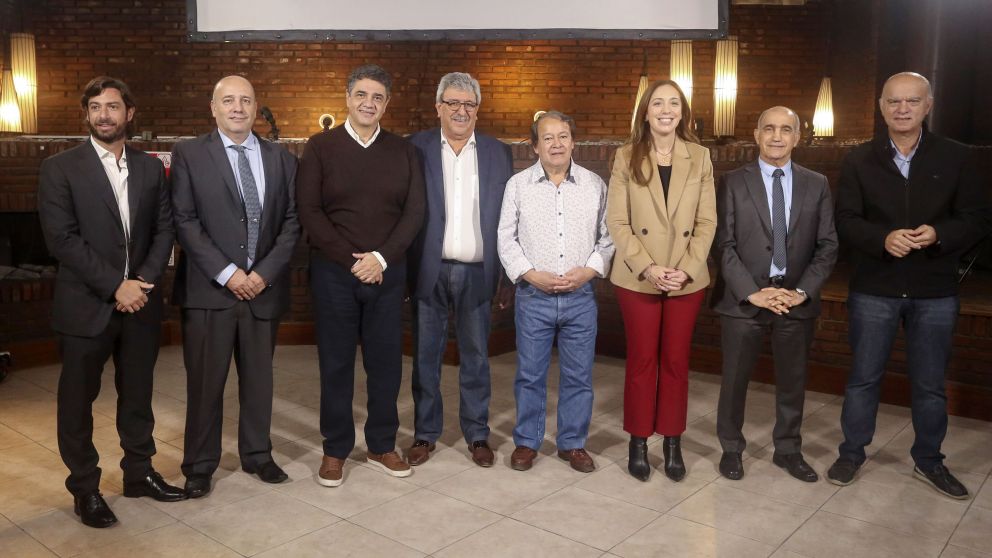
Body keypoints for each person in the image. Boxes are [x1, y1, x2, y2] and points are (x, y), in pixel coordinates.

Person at [829, 72, 991, 498]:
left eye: (912, 101)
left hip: (934, 289)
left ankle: (929, 461)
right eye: (894, 101)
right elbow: (845, 220)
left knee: (930, 383)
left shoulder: (958, 157)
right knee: (863, 378)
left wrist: (939, 234)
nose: (902, 109)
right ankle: (851, 453)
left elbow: (976, 219)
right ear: (881, 106)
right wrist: (881, 239)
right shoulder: (858, 159)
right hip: (874, 287)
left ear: (928, 105)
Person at [38, 76, 184, 528]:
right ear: (87, 114)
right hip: (86, 305)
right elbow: (61, 240)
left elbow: (165, 230)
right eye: (96, 107)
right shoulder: (60, 168)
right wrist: (114, 285)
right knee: (78, 401)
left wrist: (141, 281)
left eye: (113, 106)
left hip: (140, 304)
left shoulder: (149, 168)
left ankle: (139, 474)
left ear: (129, 114)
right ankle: (85, 488)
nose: (105, 114)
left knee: (138, 396)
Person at [171, 75, 301, 498]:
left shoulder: (281, 159)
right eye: (228, 100)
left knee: (259, 381)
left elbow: (291, 223)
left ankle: (258, 455)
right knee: (206, 383)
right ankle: (200, 464)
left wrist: (262, 274)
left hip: (264, 290)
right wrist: (229, 273)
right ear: (214, 108)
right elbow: (185, 221)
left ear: (256, 106)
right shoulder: (190, 154)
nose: (238, 108)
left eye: (245, 100)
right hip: (212, 292)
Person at [296, 64, 425, 486]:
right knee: (335, 364)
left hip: (387, 275)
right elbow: (309, 211)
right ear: (348, 98)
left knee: (386, 364)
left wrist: (382, 259)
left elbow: (414, 212)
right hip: (335, 274)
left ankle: (382, 444)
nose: (369, 103)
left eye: (378, 97)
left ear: (386, 103)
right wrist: (352, 260)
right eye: (361, 95)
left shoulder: (404, 151)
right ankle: (335, 449)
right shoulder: (320, 148)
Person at [711, 106, 838, 482]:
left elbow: (828, 245)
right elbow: (723, 245)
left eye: (786, 129)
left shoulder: (817, 183)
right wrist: (752, 293)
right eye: (769, 128)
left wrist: (802, 292)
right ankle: (731, 448)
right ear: (756, 134)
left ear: (798, 137)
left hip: (793, 301)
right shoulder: (733, 181)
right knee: (734, 380)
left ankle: (788, 450)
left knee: (793, 381)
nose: (777, 136)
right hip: (744, 301)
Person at [605, 80, 716, 482]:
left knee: (675, 362)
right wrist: (649, 268)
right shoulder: (625, 156)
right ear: (645, 111)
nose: (665, 109)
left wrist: (685, 267)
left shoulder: (700, 157)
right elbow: (617, 222)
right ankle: (638, 441)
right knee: (642, 361)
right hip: (639, 276)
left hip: (687, 276)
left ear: (682, 112)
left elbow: (707, 221)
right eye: (657, 103)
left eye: (673, 103)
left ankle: (672, 442)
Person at [406, 72, 514, 467]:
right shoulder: (414, 148)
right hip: (428, 270)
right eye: (452, 103)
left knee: (476, 357)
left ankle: (478, 433)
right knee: (426, 357)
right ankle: (425, 434)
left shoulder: (497, 153)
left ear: (478, 110)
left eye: (468, 104)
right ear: (438, 107)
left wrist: (505, 275)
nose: (460, 111)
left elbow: (506, 219)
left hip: (477, 272)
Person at [497, 110, 614, 473]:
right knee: (530, 374)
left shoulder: (595, 184)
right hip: (534, 298)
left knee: (578, 375)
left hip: (580, 297)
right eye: (547, 138)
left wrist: (589, 270)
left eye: (563, 136)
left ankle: (573, 443)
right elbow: (505, 238)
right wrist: (530, 275)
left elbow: (608, 238)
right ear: (535, 146)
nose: (556, 144)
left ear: (573, 141)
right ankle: (527, 442)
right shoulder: (517, 185)